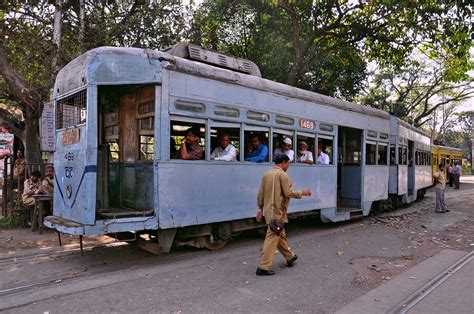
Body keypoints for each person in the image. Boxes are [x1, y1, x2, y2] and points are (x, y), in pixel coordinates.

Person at [255, 154, 312, 276]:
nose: (288, 166)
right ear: (283, 163)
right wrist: (303, 192)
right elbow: (288, 193)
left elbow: (261, 194)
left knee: (279, 234)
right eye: (288, 164)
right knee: (272, 238)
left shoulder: (266, 175)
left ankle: (290, 257)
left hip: (269, 212)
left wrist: (260, 209)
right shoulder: (282, 175)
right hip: (277, 211)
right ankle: (263, 267)